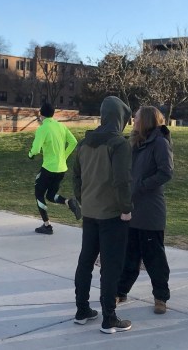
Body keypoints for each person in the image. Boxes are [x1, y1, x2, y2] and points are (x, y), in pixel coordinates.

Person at [72, 95, 133, 334]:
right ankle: (109, 318)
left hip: (89, 212)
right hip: (112, 215)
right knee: (110, 266)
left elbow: (76, 176)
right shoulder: (119, 144)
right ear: (119, 118)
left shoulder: (84, 143)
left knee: (85, 261)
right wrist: (126, 209)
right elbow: (122, 181)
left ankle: (81, 310)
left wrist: (82, 198)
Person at [116, 106, 174, 315]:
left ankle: (161, 297)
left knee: (154, 258)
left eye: (137, 117)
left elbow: (166, 172)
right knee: (129, 255)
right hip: (131, 208)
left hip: (151, 210)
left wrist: (140, 185)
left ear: (146, 120)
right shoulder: (134, 141)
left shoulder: (159, 143)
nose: (134, 119)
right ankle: (120, 291)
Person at [28, 102, 81, 234]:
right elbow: (74, 142)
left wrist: (30, 155)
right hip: (61, 169)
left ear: (41, 114)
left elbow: (35, 149)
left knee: (39, 193)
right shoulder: (61, 126)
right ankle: (69, 202)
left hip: (49, 168)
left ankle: (47, 225)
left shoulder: (42, 129)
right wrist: (64, 156)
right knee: (51, 195)